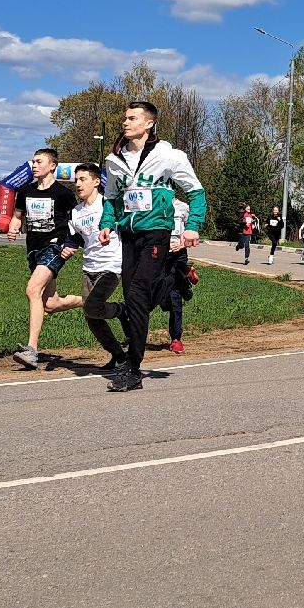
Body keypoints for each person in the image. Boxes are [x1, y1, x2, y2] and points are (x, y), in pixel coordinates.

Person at [102, 100, 206, 393]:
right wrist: (107, 225)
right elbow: (111, 199)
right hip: (129, 236)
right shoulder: (114, 160)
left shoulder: (168, 156)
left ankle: (133, 369)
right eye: (125, 118)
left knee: (136, 296)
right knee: (136, 298)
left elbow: (196, 193)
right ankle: (174, 279)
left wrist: (192, 226)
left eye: (132, 118)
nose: (126, 122)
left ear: (149, 123)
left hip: (157, 233)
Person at [20, 163, 126, 371]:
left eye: (83, 179)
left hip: (112, 265)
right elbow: (73, 237)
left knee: (91, 306)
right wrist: (68, 247)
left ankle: (122, 310)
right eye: (76, 180)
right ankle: (118, 355)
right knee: (92, 316)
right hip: (89, 267)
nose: (78, 184)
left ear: (96, 182)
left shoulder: (109, 204)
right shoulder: (76, 212)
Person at [8, 149, 79, 364]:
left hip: (55, 246)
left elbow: (77, 219)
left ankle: (31, 350)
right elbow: (17, 216)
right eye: (33, 162)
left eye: (39, 162)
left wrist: (71, 243)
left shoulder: (63, 194)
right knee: (51, 303)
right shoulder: (25, 191)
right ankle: (93, 301)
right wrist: (13, 227)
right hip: (34, 248)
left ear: (52, 166)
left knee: (32, 289)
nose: (34, 165)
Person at [160, 197, 197, 354]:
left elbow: (192, 233)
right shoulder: (154, 205)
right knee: (162, 297)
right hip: (159, 255)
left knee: (174, 296)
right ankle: (186, 282)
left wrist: (182, 244)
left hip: (179, 254)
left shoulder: (183, 207)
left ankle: (176, 339)